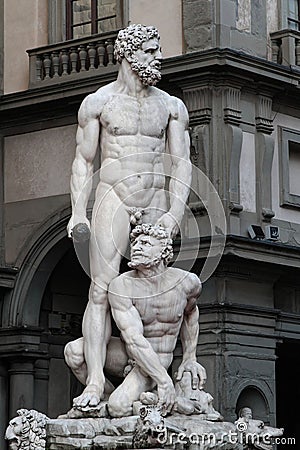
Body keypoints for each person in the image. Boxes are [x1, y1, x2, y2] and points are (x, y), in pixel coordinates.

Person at [66, 24, 192, 408]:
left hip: (155, 200)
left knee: (160, 287)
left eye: (158, 50)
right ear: (128, 54)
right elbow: (84, 163)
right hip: (113, 198)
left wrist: (173, 213)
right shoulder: (99, 103)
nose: (159, 57)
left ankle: (171, 371)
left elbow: (182, 163)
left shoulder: (170, 106)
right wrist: (77, 212)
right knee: (101, 290)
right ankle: (94, 382)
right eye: (151, 50)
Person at [106, 223, 206, 417]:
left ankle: (128, 402)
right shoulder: (121, 286)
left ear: (163, 250)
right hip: (129, 351)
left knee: (118, 407)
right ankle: (107, 400)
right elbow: (133, 339)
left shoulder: (187, 282)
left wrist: (190, 357)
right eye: (134, 243)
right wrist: (165, 382)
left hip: (157, 357)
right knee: (74, 352)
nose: (136, 247)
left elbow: (191, 313)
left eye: (145, 243)